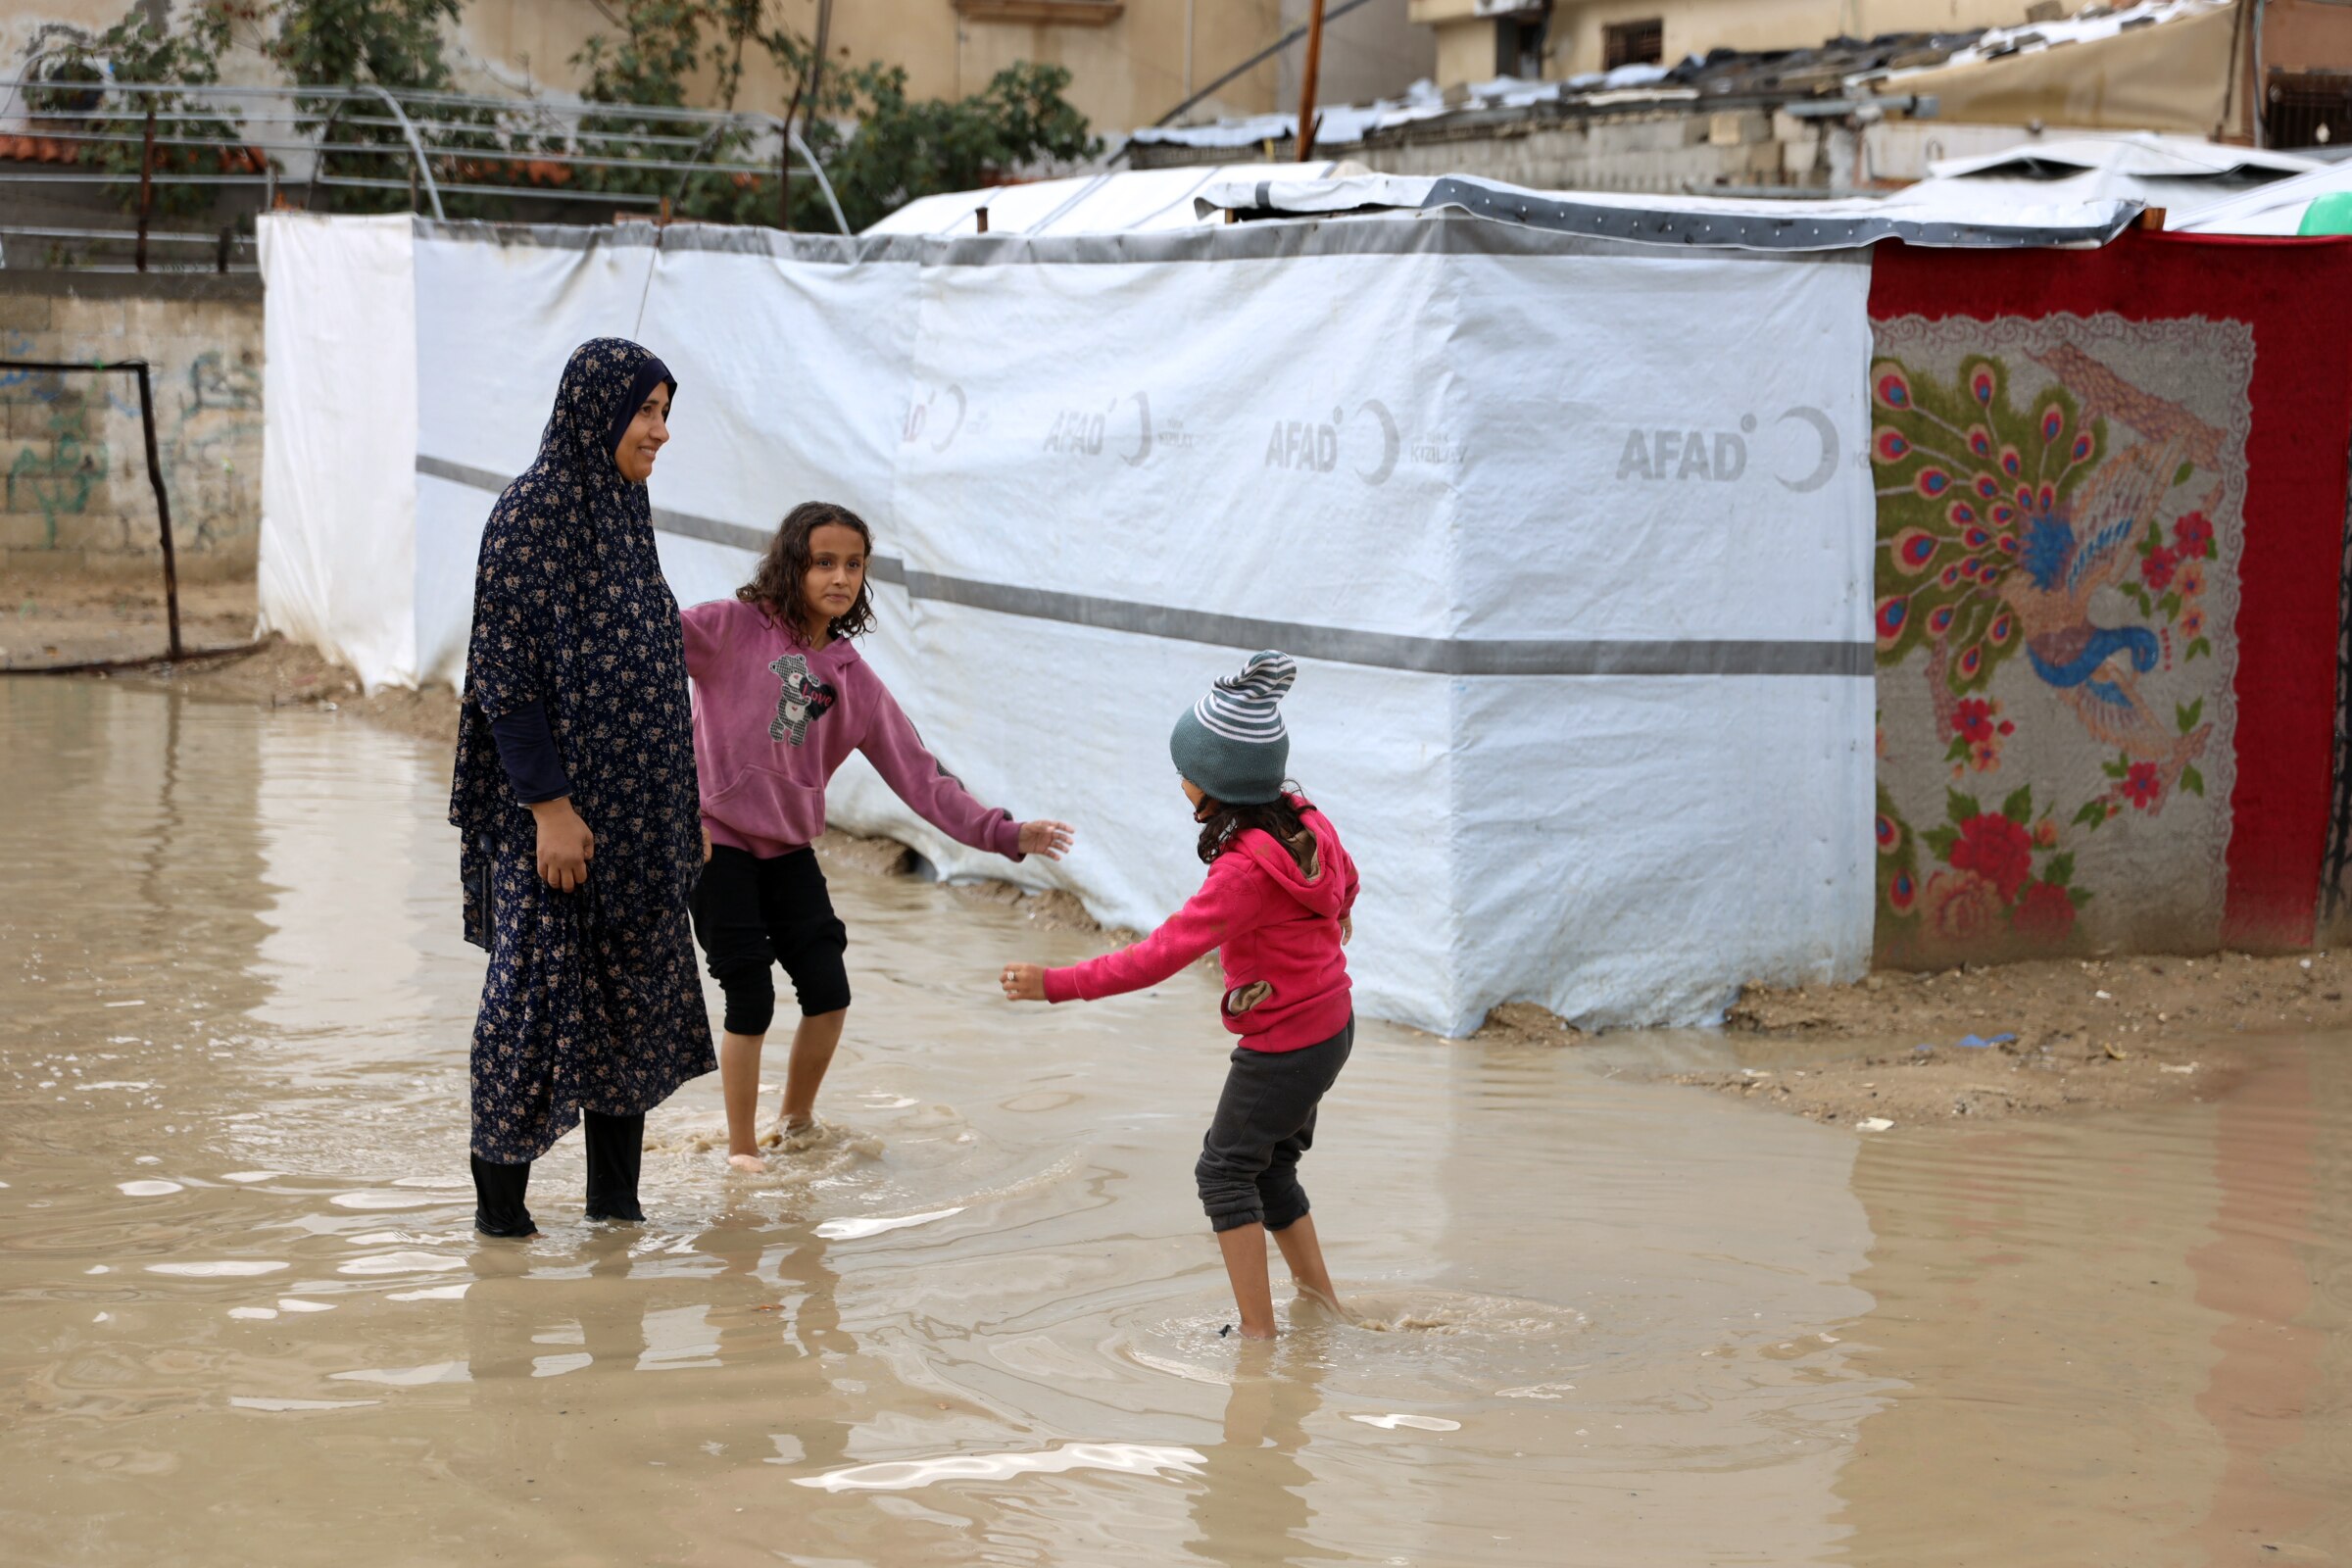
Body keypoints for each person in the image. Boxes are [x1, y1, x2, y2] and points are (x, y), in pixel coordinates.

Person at [681, 501, 1074, 1172]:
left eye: (854, 565)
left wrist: (1006, 834)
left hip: (791, 851)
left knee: (829, 993)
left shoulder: (853, 681)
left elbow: (923, 780)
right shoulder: (726, 627)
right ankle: (742, 1152)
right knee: (750, 995)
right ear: (790, 564)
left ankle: (795, 1121)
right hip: (716, 846)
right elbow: (633, 646)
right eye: (823, 561)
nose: (840, 576)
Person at [999, 652, 1356, 1340]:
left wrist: (1057, 985)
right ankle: (1322, 1308)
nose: (1181, 783)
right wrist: (1340, 912)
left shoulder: (1241, 875)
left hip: (1284, 1044)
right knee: (1270, 1168)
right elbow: (1346, 876)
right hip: (1330, 1028)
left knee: (1222, 1174)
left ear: (1213, 783)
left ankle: (1258, 1337)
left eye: (1185, 773)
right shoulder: (1306, 821)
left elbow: (1158, 956)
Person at [450, 337, 715, 1237]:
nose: (660, 432)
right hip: (556, 825)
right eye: (645, 412)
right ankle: (502, 1230)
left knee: (627, 1010)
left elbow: (643, 657)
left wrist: (683, 813)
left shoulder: (623, 506)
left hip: (639, 818)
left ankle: (615, 1220)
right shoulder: (532, 514)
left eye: (665, 412)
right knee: (530, 1010)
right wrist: (551, 812)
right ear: (592, 410)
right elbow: (504, 678)